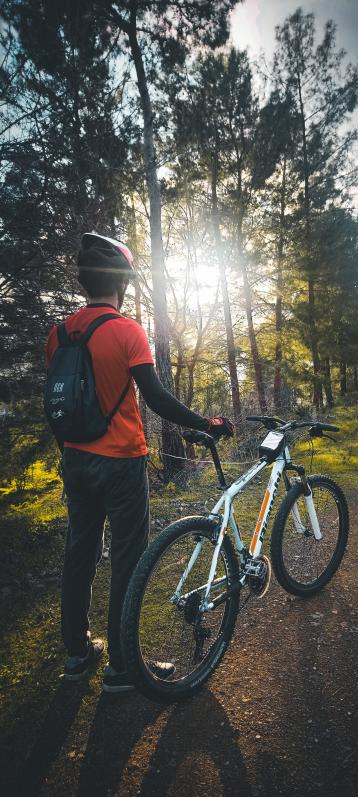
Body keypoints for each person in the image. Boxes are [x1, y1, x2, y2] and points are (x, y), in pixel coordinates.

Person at [45, 232, 234, 693]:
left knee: (80, 552)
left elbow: (58, 401)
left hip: (75, 458)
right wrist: (207, 423)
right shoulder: (126, 330)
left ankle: (76, 654)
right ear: (122, 282)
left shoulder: (59, 333)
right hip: (122, 462)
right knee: (129, 557)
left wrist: (70, 451)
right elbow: (155, 398)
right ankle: (122, 669)